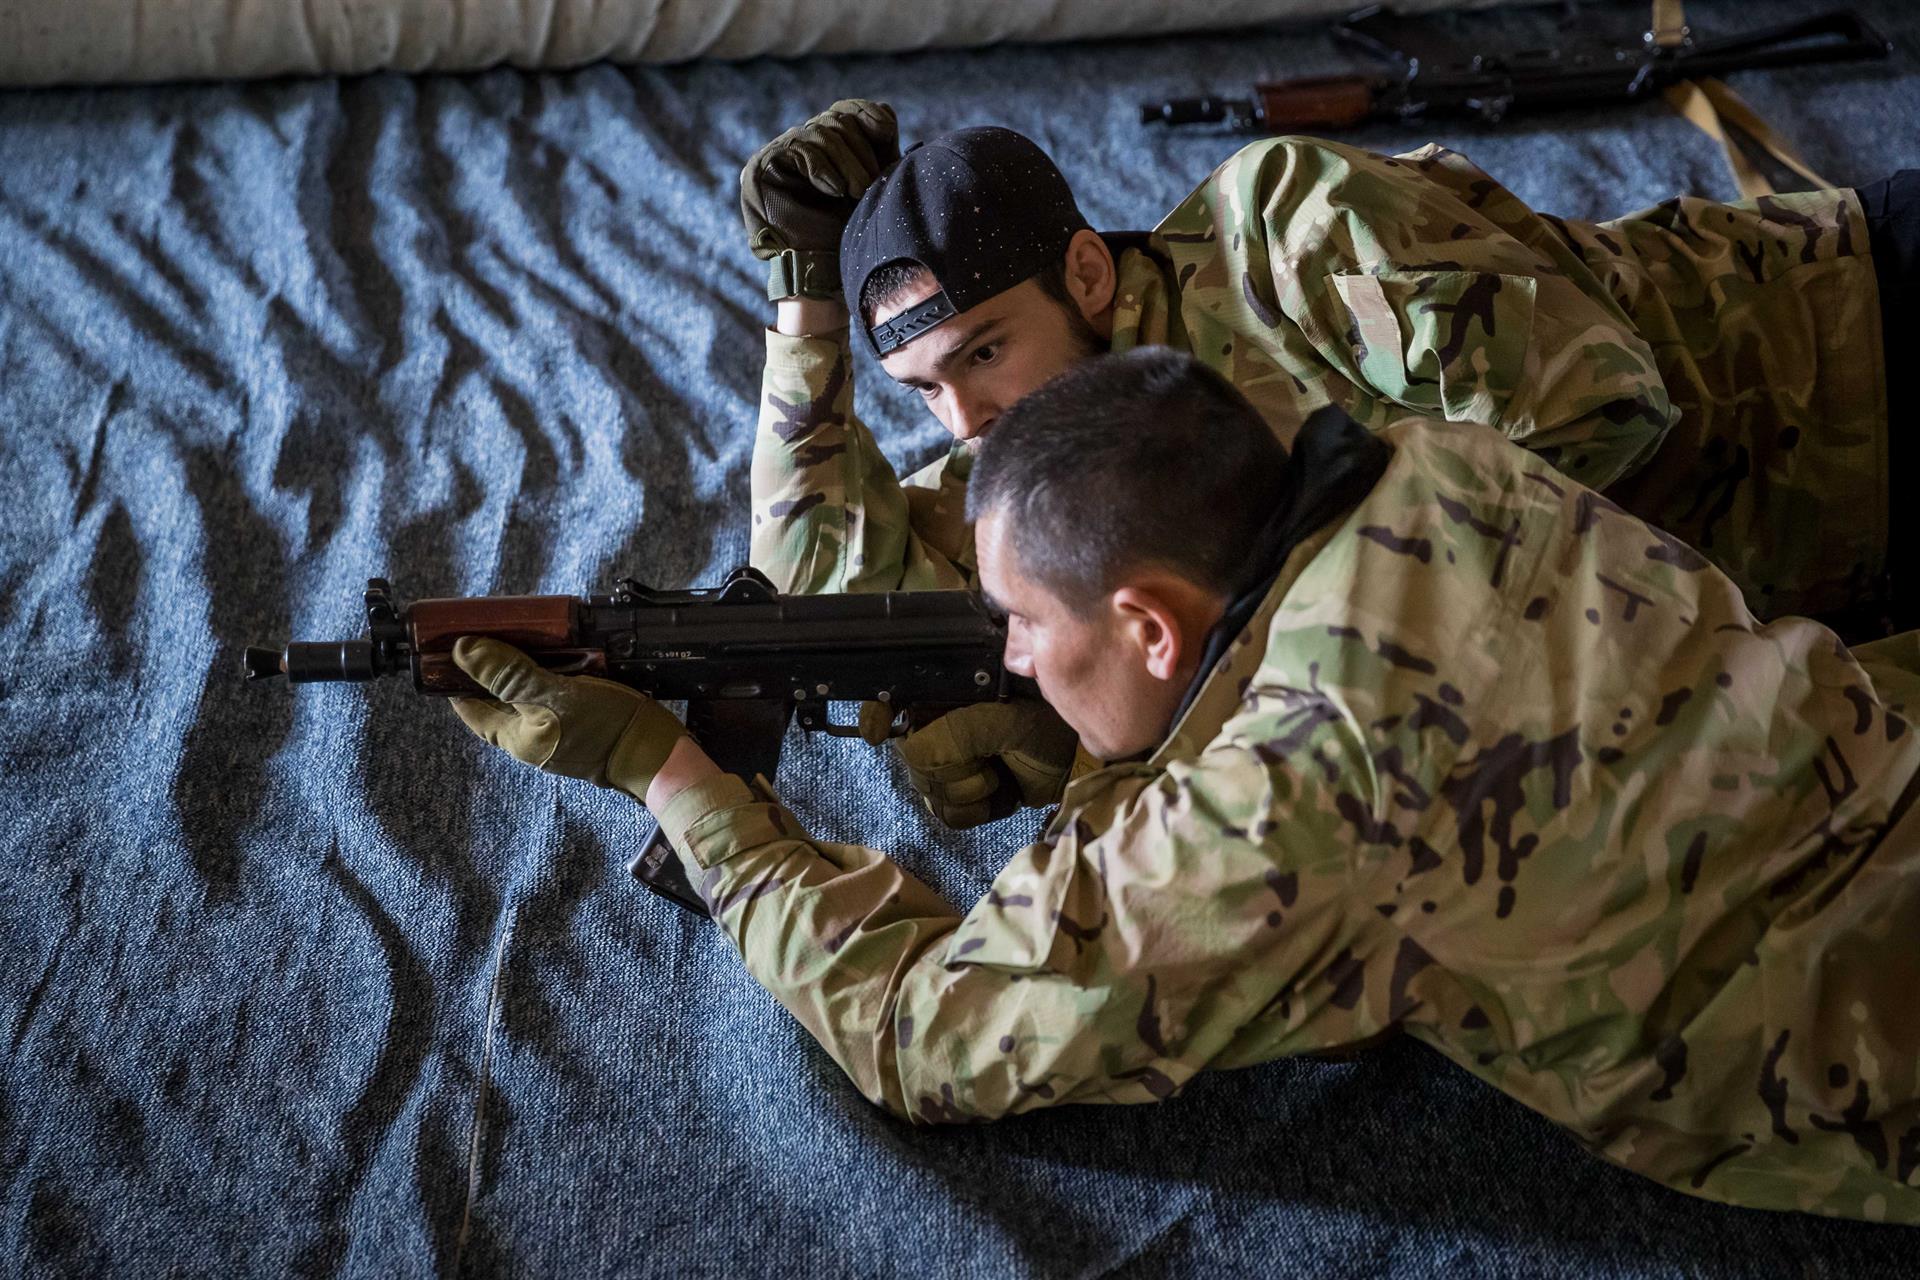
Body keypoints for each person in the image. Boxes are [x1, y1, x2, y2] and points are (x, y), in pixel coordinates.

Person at [449, 348, 1920, 1223]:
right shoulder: (1444, 463)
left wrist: (670, 769)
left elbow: (923, 1035)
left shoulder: (1282, 810)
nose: (1014, 661)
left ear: (1150, 620)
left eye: (1028, 625)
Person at [738, 103, 1916, 825]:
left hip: (1860, 342)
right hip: (1820, 604)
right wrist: (805, 318)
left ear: (1088, 276)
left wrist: (1205, 692)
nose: (963, 423)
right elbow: (822, 599)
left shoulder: (1284, 230)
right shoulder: (1040, 458)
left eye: (984, 353)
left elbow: (1598, 411)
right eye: (927, 389)